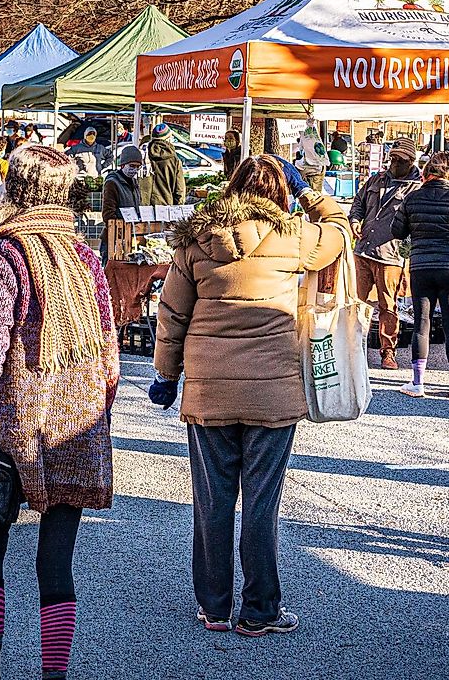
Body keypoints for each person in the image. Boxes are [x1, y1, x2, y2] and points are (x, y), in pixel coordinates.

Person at [153, 155, 346, 637]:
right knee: (262, 503)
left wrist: (166, 374)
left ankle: (214, 607)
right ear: (280, 193)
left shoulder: (196, 239)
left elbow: (173, 314)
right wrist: (307, 190)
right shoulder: (296, 238)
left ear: (231, 187)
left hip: (209, 389)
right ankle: (260, 611)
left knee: (211, 502)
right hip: (272, 395)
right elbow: (342, 228)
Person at [0, 144, 118, 680]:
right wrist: (95, 405)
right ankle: (53, 676)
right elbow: (110, 353)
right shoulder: (86, 258)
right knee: (57, 563)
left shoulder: (7, 253)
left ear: (17, 190)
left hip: (13, 422)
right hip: (76, 422)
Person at [391, 151, 449, 398]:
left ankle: (418, 383)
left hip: (422, 266)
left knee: (422, 323)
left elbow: (397, 231)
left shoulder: (412, 198)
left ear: (427, 172)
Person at [349, 136, 420, 369]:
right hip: (363, 249)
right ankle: (352, 346)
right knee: (356, 302)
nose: (394, 163)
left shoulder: (416, 187)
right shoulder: (376, 179)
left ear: (411, 161)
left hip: (390, 255)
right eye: (392, 158)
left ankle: (387, 351)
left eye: (400, 160)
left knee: (388, 305)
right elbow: (358, 202)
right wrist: (355, 220)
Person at [101, 144, 145, 262]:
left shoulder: (134, 183)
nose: (134, 170)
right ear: (123, 165)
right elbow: (108, 214)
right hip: (114, 240)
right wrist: (119, 233)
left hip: (130, 237)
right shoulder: (112, 183)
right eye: (132, 166)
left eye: (137, 167)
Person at [140, 125, 186, 207]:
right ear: (169, 138)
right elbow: (179, 190)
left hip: (143, 206)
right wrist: (178, 207)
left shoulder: (142, 154)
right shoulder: (174, 160)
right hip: (165, 206)